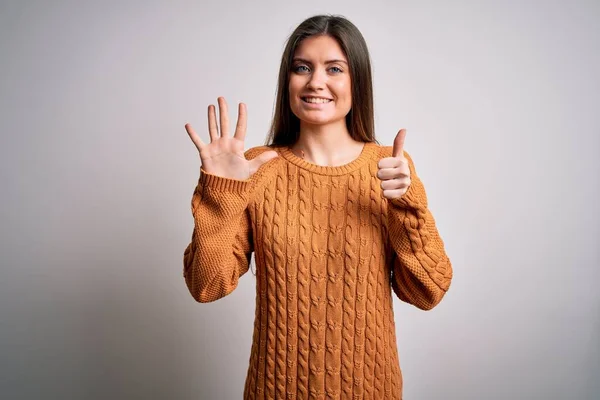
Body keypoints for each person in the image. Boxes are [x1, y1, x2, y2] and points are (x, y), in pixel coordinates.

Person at [182, 14, 453, 400]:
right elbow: (205, 285)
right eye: (302, 68)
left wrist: (407, 206)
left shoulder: (390, 169)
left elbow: (428, 291)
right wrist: (221, 193)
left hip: (370, 391)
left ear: (356, 82)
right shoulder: (258, 167)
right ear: (287, 81)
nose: (315, 82)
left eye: (334, 69)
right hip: (274, 390)